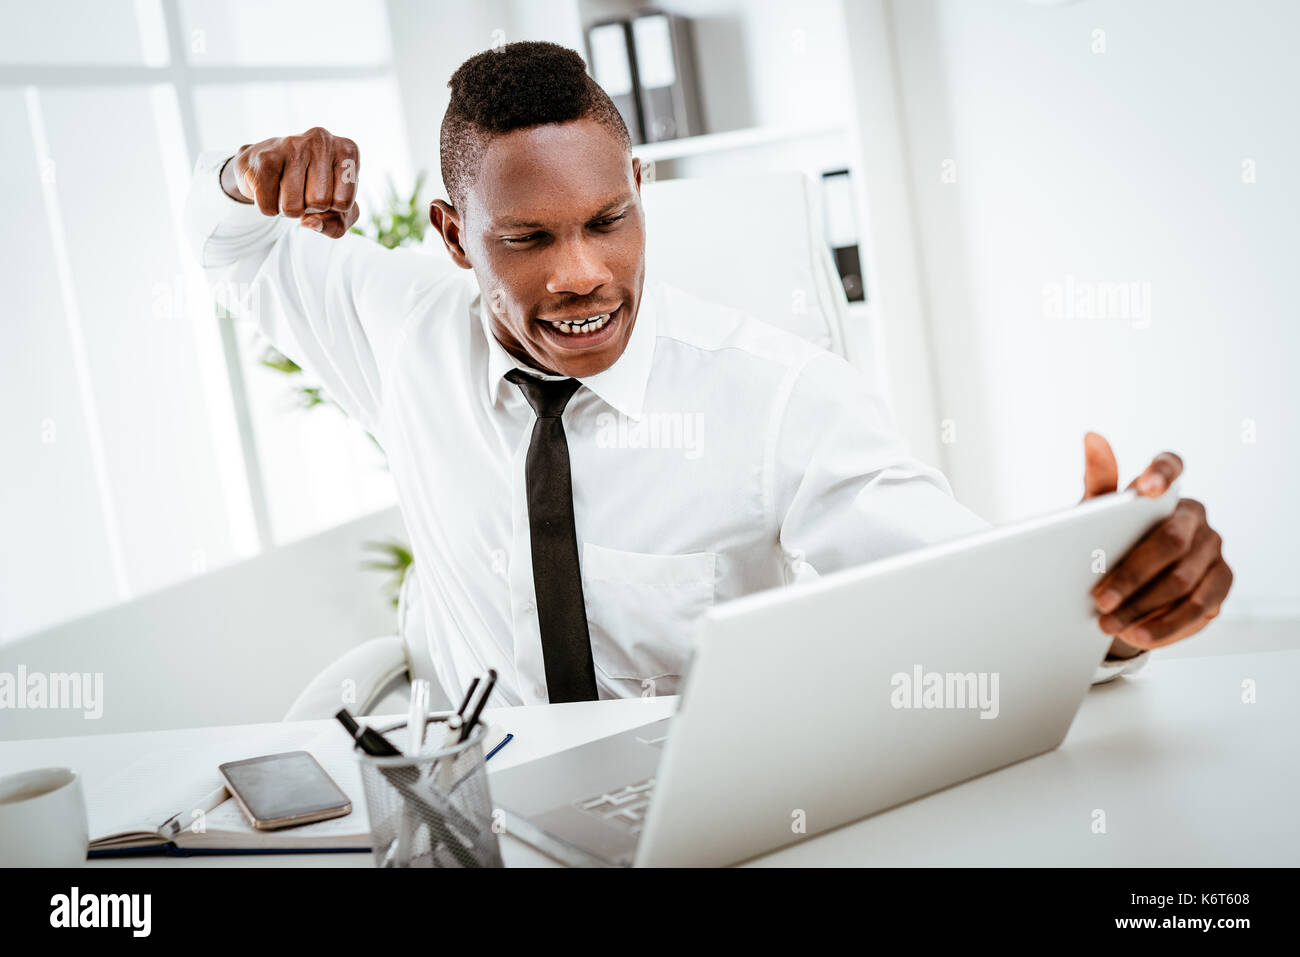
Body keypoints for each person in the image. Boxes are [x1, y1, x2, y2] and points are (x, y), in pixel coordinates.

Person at [184, 41, 1231, 707]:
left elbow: (956, 592)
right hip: (481, 814)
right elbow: (225, 242)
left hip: (691, 817)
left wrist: (1103, 608)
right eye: (528, 239)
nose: (580, 273)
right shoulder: (398, 330)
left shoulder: (777, 397)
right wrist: (245, 172)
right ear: (456, 238)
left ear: (640, 190)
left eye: (606, 220)